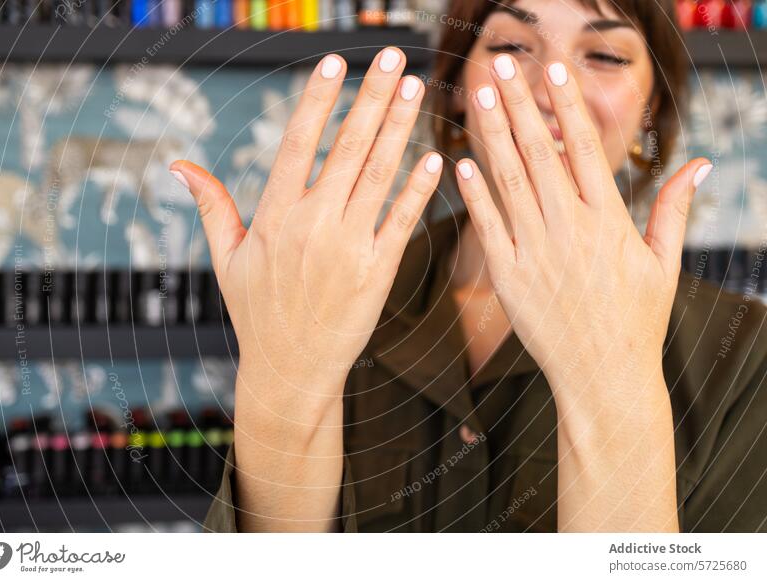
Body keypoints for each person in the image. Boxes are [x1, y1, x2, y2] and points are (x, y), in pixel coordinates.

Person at [169, 0, 767, 532]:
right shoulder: (327, 293)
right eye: (509, 49)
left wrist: (611, 378)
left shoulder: (744, 350)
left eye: (606, 55)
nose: (548, 85)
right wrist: (283, 386)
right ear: (455, 88)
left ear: (649, 108)